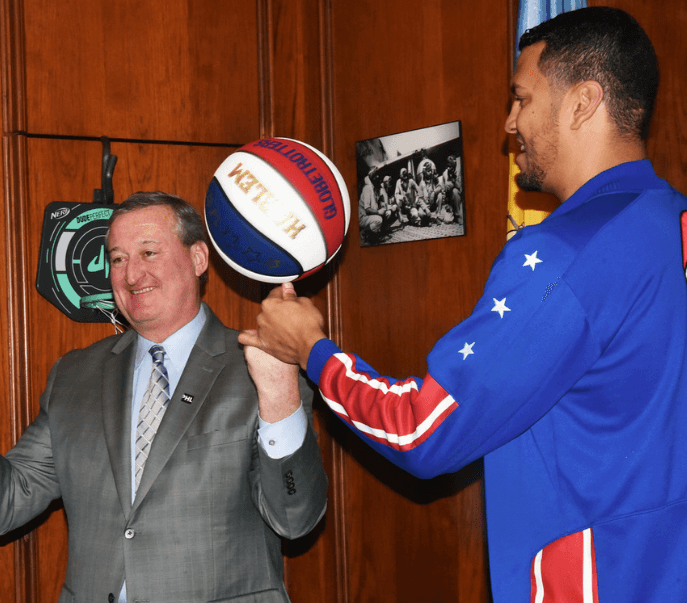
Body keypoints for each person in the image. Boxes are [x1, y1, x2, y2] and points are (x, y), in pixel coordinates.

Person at [240, 7, 686, 602]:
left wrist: (312, 350)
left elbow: (421, 432)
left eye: (522, 98)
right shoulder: (667, 217)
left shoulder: (564, 254)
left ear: (583, 102)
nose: (509, 121)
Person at [0, 192, 328, 603]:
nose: (131, 275)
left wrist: (278, 395)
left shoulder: (263, 367)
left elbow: (295, 519)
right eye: (118, 258)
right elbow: (5, 504)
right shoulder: (75, 376)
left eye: (149, 253)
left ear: (198, 259)